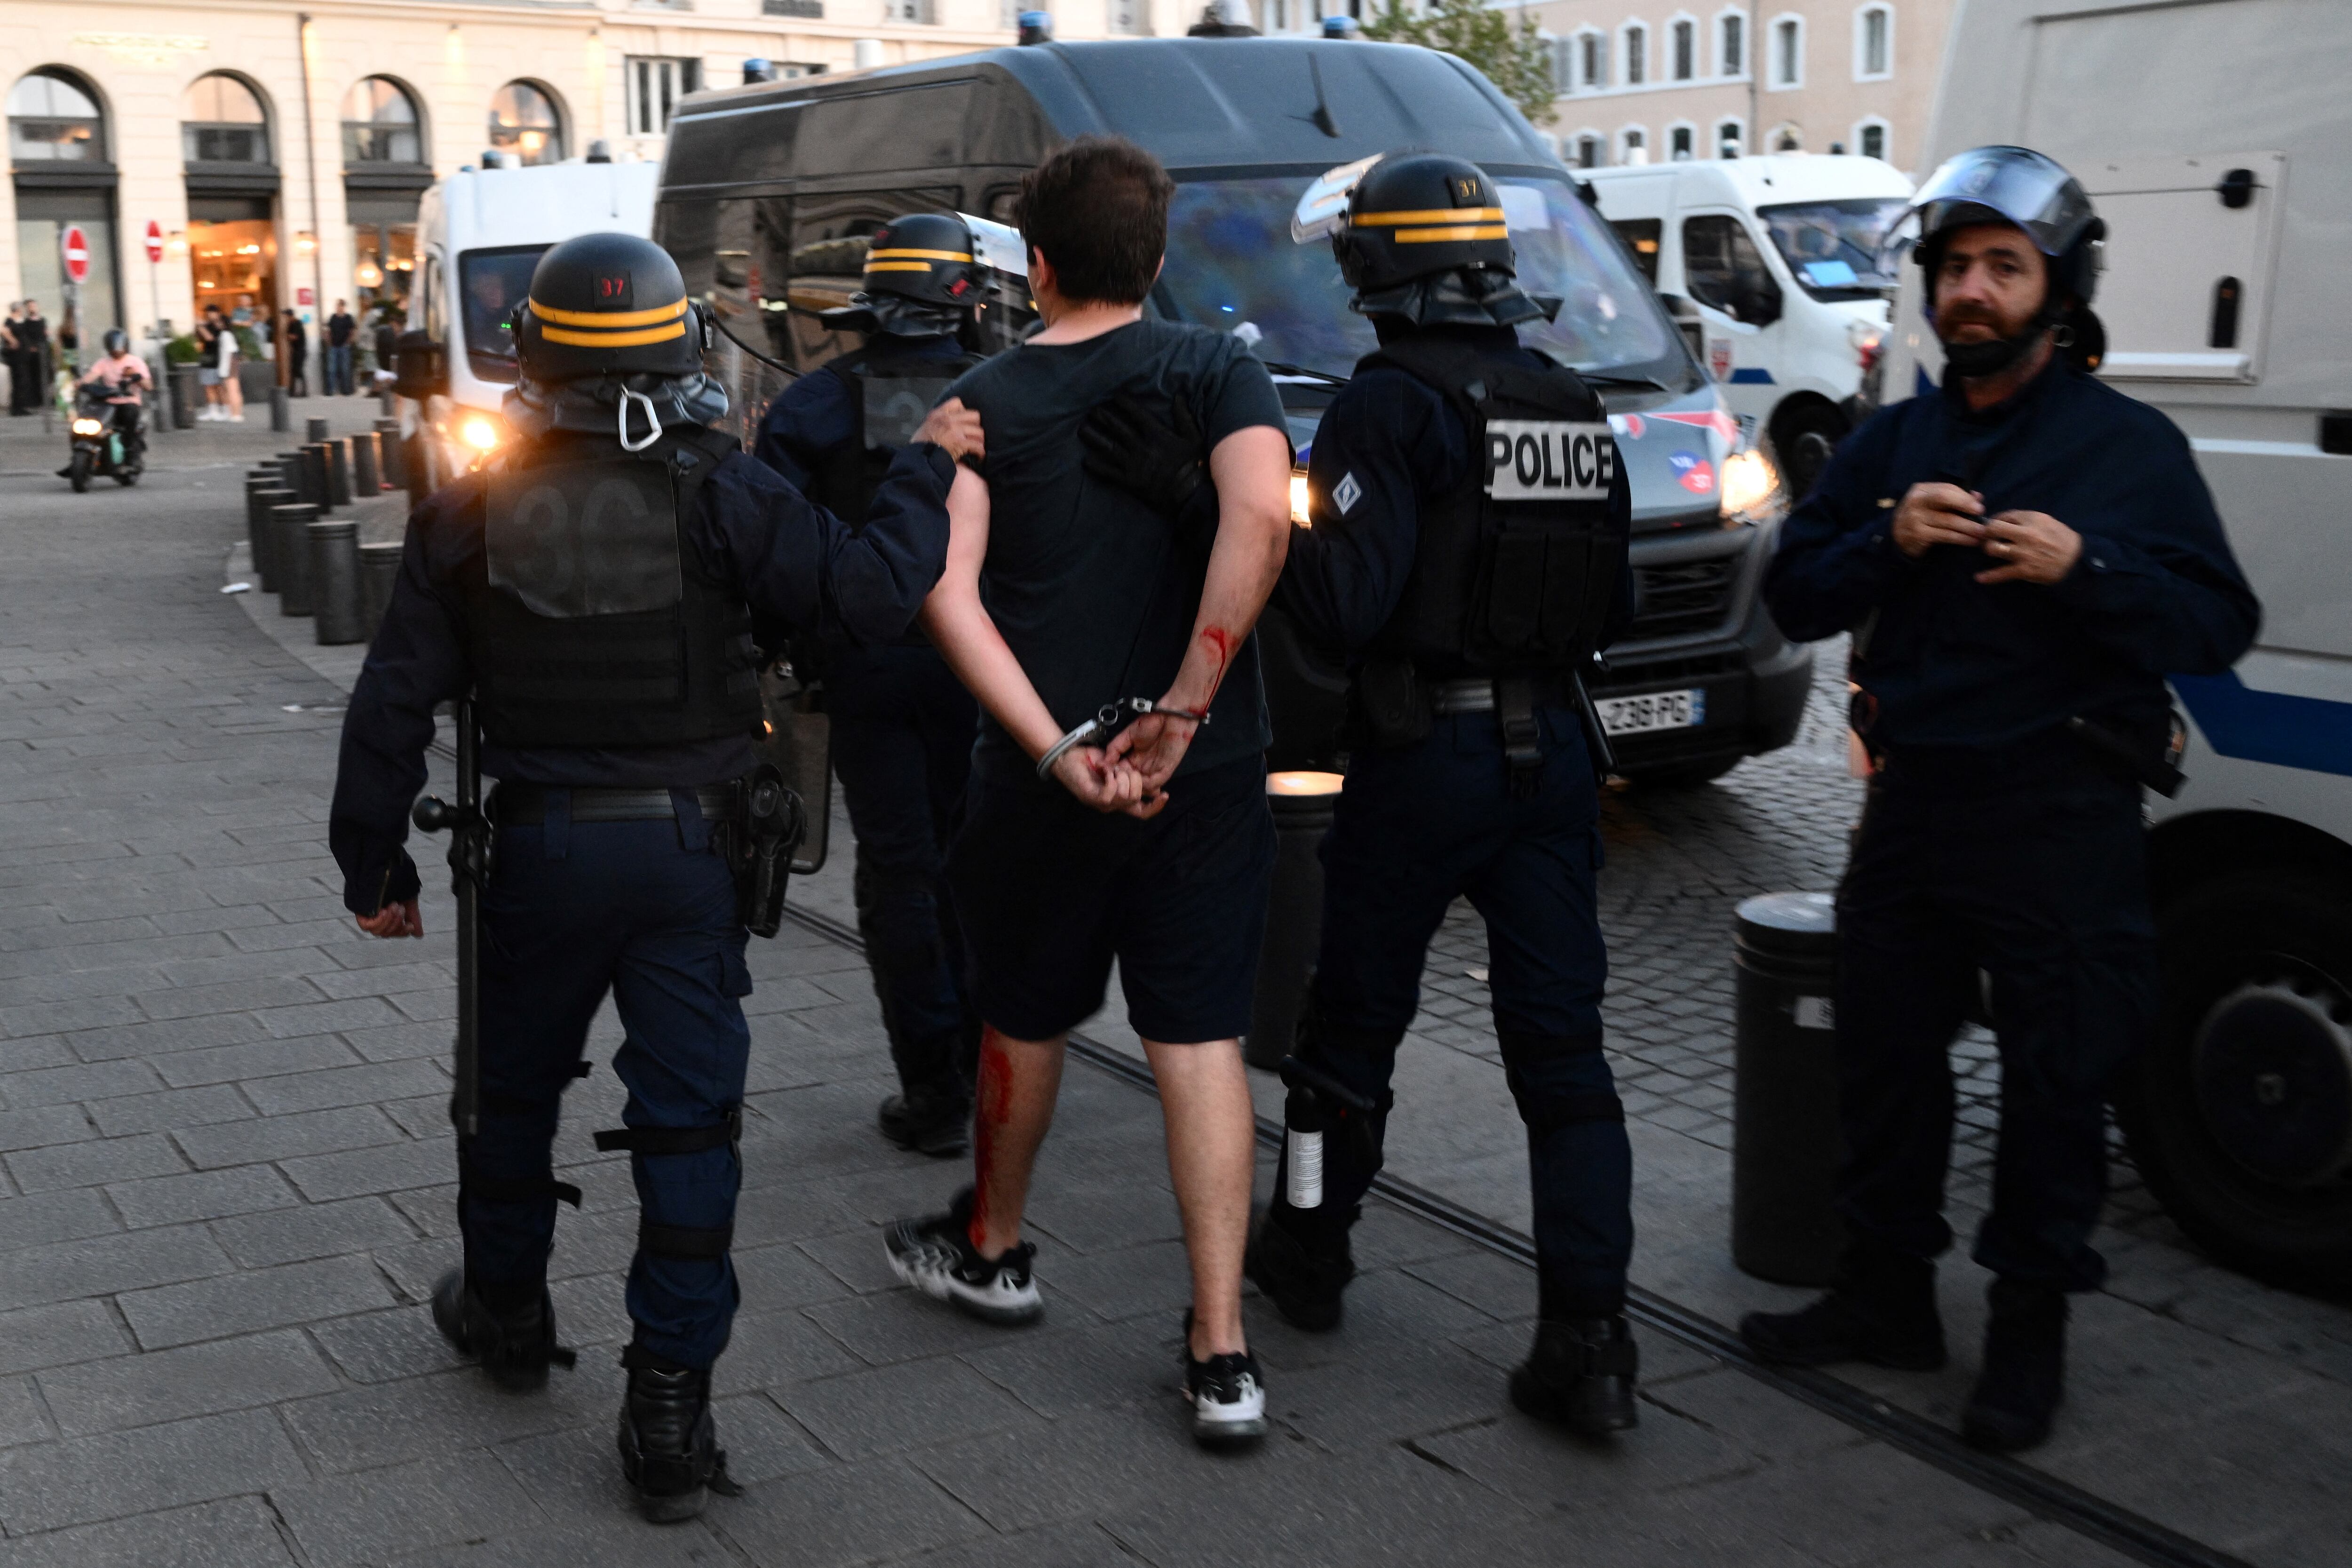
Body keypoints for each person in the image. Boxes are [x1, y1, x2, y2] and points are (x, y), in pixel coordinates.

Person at [328, 231, 975, 1521]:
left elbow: (393, 698)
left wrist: (374, 861)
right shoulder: (723, 489)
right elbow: (867, 595)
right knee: (689, 1126)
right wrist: (925, 470)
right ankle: (669, 1411)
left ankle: (506, 1307)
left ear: (536, 356)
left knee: (507, 1091)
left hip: (537, 852)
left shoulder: (471, 502)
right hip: (688, 852)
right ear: (681, 347)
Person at [1743, 146, 2260, 1453]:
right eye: (1954, 267)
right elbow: (1797, 594)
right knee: (1887, 1064)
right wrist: (1884, 537)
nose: (1971, 291)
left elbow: (2218, 623)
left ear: (2060, 287)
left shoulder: (2128, 450)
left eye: (2002, 268)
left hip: (2061, 815)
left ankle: (2029, 1334)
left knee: (2054, 1082)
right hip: (1913, 809)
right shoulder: (1896, 441)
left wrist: (2090, 567)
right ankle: (1886, 1297)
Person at [1189, 151, 1645, 1437]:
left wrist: (1288, 520)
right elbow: (1612, 603)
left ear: (1379, 270)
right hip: (1554, 755)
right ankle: (1592, 1341)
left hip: (1425, 758)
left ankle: (1311, 1253)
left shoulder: (1388, 404)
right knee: (1566, 1055)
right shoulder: (1568, 399)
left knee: (1347, 1037)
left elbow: (1339, 610)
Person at [880, 137, 1294, 1449]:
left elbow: (945, 591)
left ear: (1037, 264)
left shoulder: (984, 397)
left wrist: (1060, 748)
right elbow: (1263, 520)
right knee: (1201, 1038)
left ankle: (995, 1245)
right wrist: (1186, 702)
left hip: (1042, 780)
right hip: (1206, 770)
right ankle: (1220, 1345)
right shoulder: (1217, 364)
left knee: (1026, 1013)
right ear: (1158, 259)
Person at [753, 214, 985, 1158]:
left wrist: (792, 655)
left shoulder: (810, 406)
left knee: (898, 868)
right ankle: (989, 1066)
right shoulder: (1014, 395)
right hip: (991, 674)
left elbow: (770, 552)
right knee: (978, 866)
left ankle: (932, 1090)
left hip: (869, 667)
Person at [70, 327, 150, 461]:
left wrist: (136, 376)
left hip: (128, 402)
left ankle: (129, 451)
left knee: (129, 415)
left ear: (125, 346)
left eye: (119, 348)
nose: (117, 352)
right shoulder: (103, 363)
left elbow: (149, 386)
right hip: (107, 403)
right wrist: (79, 383)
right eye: (113, 349)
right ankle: (78, 454)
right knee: (83, 419)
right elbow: (91, 376)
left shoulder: (135, 362)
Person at [15, 302, 50, 416]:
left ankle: (43, 399)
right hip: (32, 354)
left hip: (43, 352)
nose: (33, 308)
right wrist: (31, 347)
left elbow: (45, 334)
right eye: (31, 307)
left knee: (44, 376)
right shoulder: (26, 322)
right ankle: (35, 400)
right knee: (33, 377)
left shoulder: (42, 320)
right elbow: (25, 336)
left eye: (35, 306)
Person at [327, 299, 357, 395]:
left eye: (340, 306)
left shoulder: (348, 318)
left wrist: (349, 342)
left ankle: (346, 390)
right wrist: (329, 341)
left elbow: (353, 331)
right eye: (338, 306)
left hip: (344, 347)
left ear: (343, 307)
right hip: (334, 347)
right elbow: (328, 330)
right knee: (332, 369)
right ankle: (331, 391)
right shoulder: (333, 318)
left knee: (345, 369)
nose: (339, 308)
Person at [283, 310, 310, 398]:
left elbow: (294, 337)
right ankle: (292, 391)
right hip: (295, 351)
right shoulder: (290, 324)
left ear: (290, 316)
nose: (285, 319)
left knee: (299, 371)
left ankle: (304, 391)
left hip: (300, 351)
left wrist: (288, 336)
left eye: (286, 317)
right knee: (294, 371)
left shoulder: (297, 323)